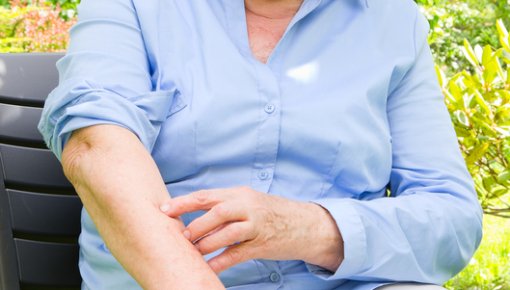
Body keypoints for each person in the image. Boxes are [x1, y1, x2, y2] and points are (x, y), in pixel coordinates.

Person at [38, 0, 483, 289]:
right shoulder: (136, 5)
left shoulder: (394, 21)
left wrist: (307, 227)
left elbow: (452, 216)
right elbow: (97, 144)